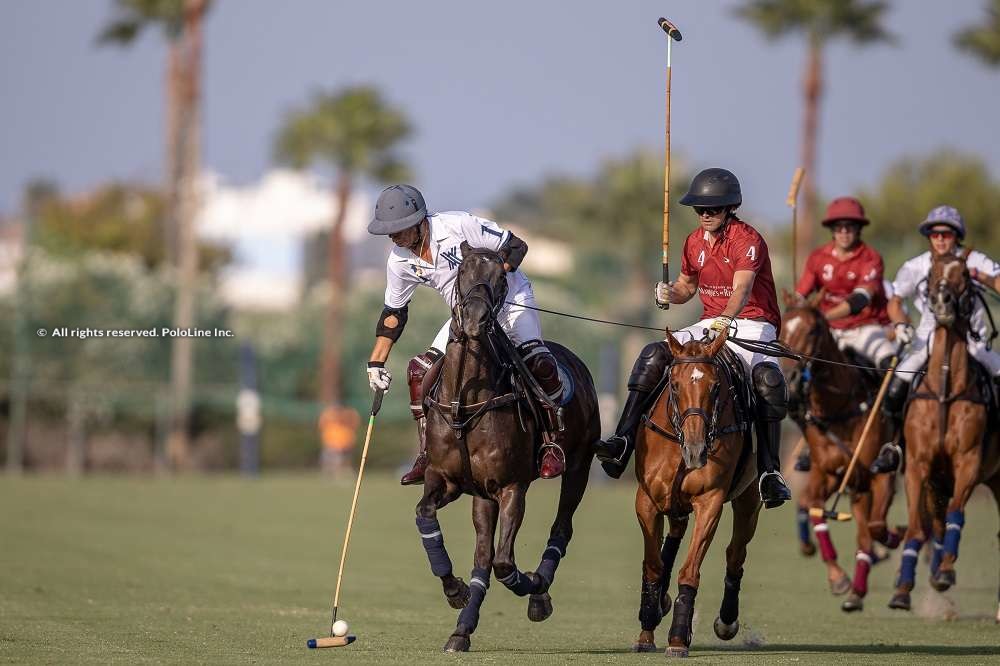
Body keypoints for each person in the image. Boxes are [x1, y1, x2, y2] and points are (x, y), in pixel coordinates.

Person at [594, 168, 792, 508]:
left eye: (712, 209)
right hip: (711, 321)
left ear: (730, 207)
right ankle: (623, 439)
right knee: (653, 355)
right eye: (700, 209)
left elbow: (743, 289)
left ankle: (769, 472)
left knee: (767, 379)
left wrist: (726, 321)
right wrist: (669, 292)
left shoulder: (748, 240)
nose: (705, 214)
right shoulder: (693, 242)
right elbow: (688, 287)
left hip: (753, 322)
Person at [365, 184, 566, 483]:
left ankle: (552, 443)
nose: (394, 236)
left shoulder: (460, 225)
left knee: (540, 365)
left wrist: (496, 277)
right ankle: (426, 453)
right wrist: (376, 363)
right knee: (419, 371)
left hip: (510, 301)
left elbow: (516, 246)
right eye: (389, 231)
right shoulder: (399, 261)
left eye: (400, 229)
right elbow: (394, 313)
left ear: (420, 222)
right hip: (466, 314)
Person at [871, 205, 1000, 473]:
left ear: (957, 236)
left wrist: (976, 275)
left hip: (972, 342)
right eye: (934, 233)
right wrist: (901, 324)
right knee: (895, 387)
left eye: (947, 233)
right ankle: (894, 445)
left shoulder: (976, 260)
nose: (940, 238)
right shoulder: (915, 266)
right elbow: (895, 301)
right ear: (929, 236)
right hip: (927, 340)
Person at [791, 197, 893, 471]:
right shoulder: (818, 258)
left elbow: (861, 299)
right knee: (794, 387)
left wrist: (821, 316)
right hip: (830, 334)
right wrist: (796, 307)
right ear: (832, 230)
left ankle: (891, 444)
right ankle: (810, 444)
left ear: (859, 230)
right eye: (839, 226)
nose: (844, 231)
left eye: (850, 226)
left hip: (867, 328)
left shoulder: (871, 258)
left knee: (893, 373)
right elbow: (802, 294)